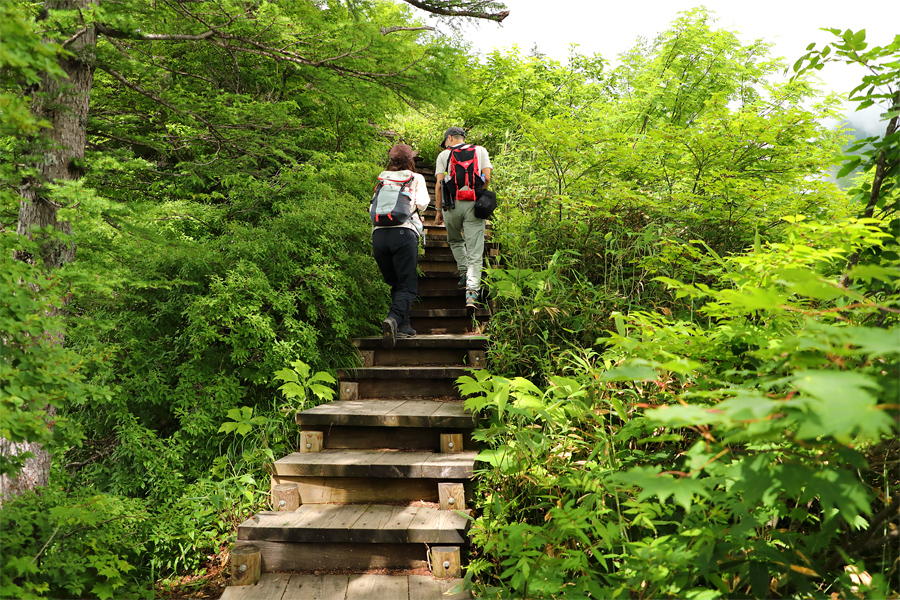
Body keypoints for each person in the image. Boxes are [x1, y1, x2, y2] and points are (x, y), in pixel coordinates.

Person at [372, 144, 431, 350]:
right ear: (410, 160)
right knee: (407, 285)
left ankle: (404, 325)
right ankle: (394, 318)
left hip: (379, 235)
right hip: (403, 233)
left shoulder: (382, 178)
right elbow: (423, 203)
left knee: (396, 283)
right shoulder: (416, 178)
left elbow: (372, 207)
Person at [433, 127, 493, 308]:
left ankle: (463, 272)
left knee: (455, 240)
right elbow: (488, 178)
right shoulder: (480, 150)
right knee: (475, 251)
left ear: (449, 138)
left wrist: (438, 211)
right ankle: (472, 294)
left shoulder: (444, 155)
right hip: (474, 205)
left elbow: (438, 184)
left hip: (451, 205)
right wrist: (478, 195)